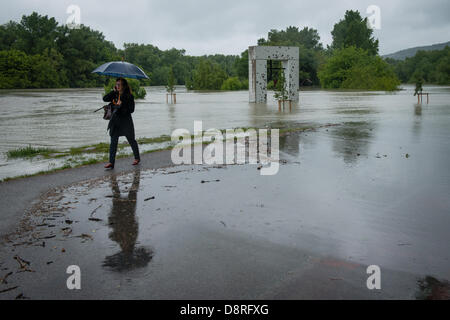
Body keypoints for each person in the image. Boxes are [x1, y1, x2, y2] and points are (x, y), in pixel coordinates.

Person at [103, 77, 140, 169]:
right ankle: (111, 162)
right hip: (115, 121)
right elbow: (105, 98)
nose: (117, 86)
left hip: (126, 122)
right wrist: (113, 91)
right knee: (113, 142)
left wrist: (121, 105)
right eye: (116, 84)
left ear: (124, 86)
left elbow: (131, 110)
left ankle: (137, 158)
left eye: (119, 84)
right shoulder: (115, 94)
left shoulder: (129, 96)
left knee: (131, 140)